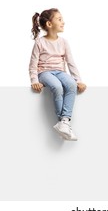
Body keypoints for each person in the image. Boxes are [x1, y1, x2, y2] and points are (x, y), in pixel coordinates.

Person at [29, 8, 87, 141]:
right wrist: (34, 81)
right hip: (44, 73)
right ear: (49, 24)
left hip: (60, 71)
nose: (63, 22)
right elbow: (33, 64)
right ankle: (63, 122)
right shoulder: (40, 42)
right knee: (57, 87)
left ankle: (65, 121)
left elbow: (71, 62)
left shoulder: (64, 42)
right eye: (59, 19)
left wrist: (78, 80)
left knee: (71, 84)